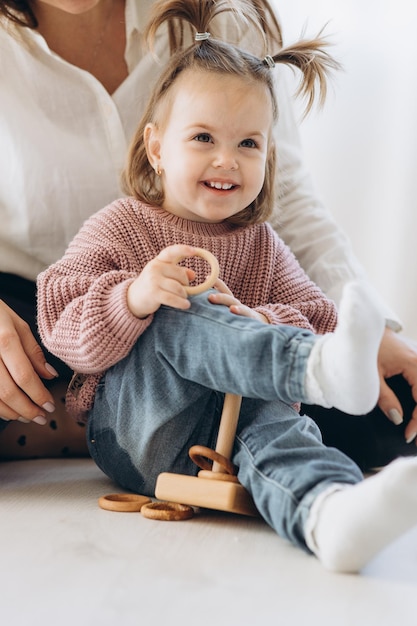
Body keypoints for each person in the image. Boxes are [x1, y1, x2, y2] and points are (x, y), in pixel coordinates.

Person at [36, 0, 417, 574]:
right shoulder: (122, 224)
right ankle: (309, 370)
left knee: (283, 431)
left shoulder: (262, 243)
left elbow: (315, 312)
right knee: (179, 301)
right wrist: (134, 297)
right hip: (137, 433)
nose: (227, 159)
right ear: (156, 148)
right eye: (203, 137)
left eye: (249, 144)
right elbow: (61, 319)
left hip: (227, 434)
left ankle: (328, 513)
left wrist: (262, 325)